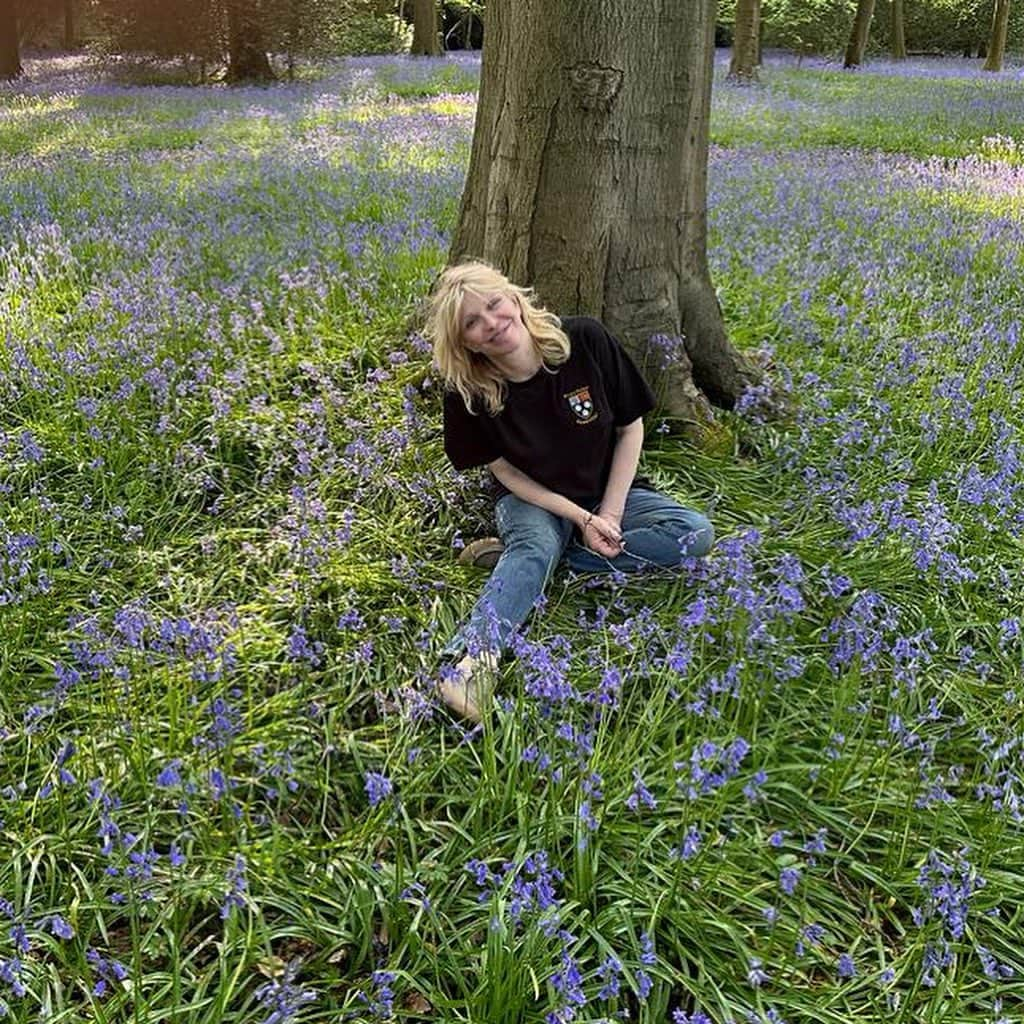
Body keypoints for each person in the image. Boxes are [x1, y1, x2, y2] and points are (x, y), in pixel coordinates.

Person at [426, 261, 714, 722]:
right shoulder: (469, 392)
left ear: (515, 299)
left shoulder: (585, 341)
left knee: (692, 534)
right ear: (464, 343)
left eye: (494, 305)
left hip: (606, 490)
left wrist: (611, 515)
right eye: (471, 324)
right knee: (538, 540)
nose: (491, 324)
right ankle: (471, 663)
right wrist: (578, 519)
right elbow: (506, 473)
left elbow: (630, 428)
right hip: (530, 500)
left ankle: (525, 565)